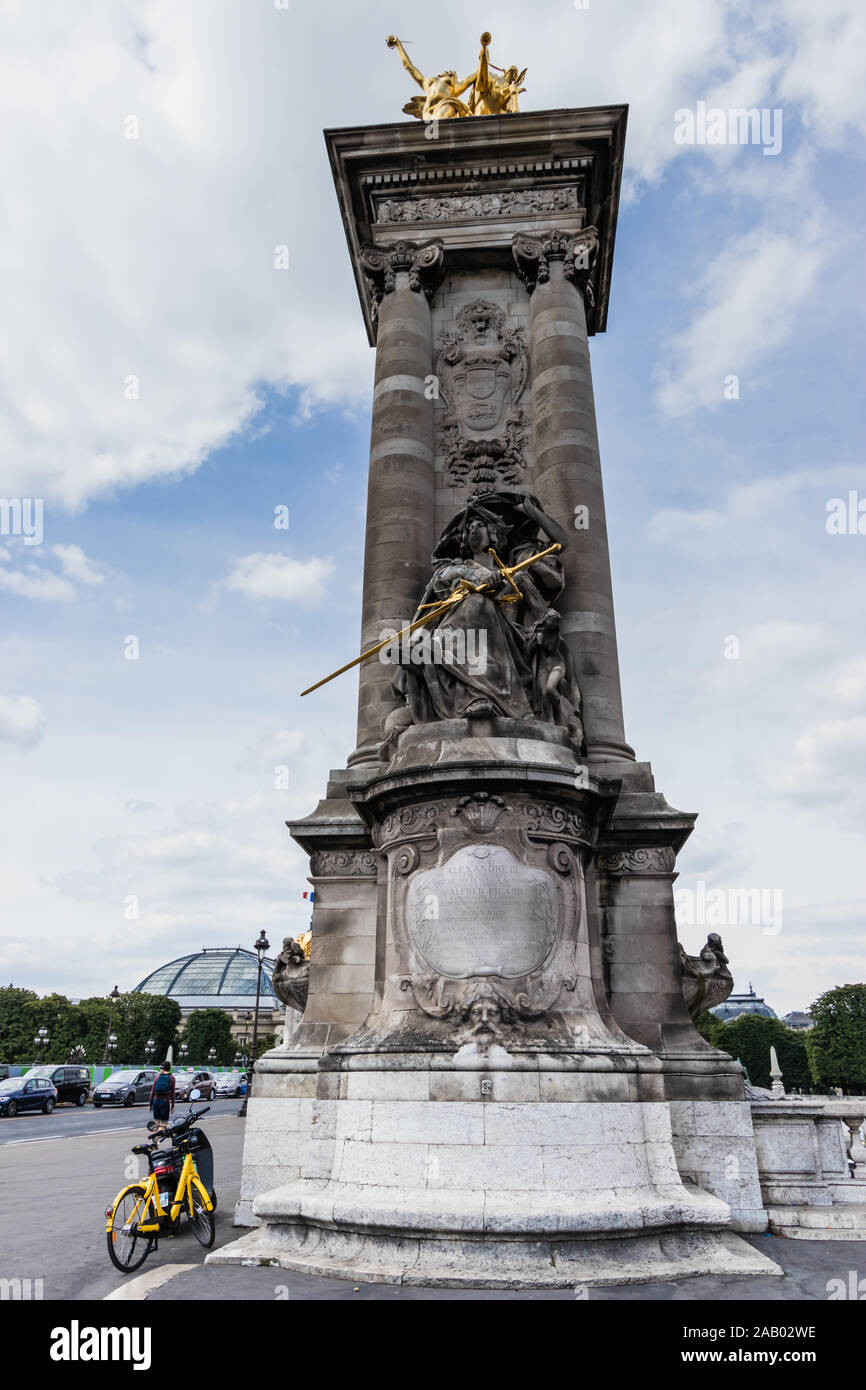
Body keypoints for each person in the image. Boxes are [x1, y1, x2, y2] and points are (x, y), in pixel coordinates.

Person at [149, 1061, 175, 1132]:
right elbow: (172, 1093)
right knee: (164, 1123)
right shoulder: (172, 1078)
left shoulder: (157, 1077)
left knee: (156, 1123)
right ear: (169, 1069)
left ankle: (155, 1141)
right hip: (164, 1102)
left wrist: (150, 1105)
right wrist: (172, 1106)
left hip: (155, 1102)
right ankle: (158, 1138)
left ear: (162, 1069)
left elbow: (152, 1092)